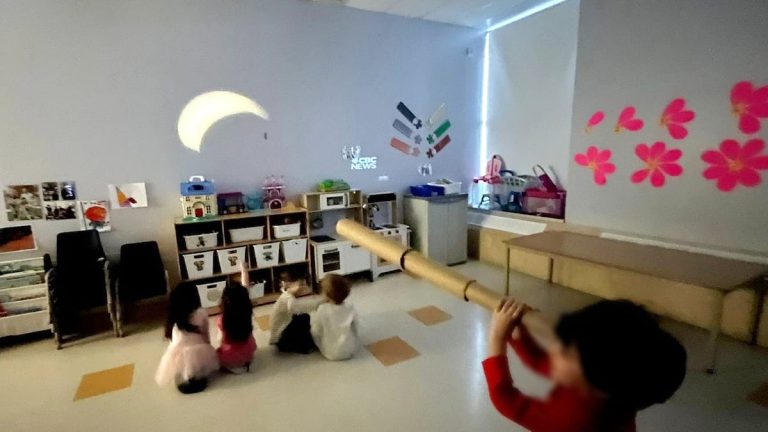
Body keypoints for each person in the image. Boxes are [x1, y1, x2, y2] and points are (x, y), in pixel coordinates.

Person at [484, 299, 687, 432]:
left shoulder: (574, 422)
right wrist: (519, 334)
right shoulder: (615, 388)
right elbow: (542, 363)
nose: (556, 349)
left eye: (568, 351)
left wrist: (497, 337)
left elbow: (504, 398)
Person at [155, 284, 219, 394]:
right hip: (198, 351)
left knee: (184, 366)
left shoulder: (174, 316)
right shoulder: (201, 312)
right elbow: (206, 335)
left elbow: (172, 340)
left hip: (177, 352)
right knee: (199, 362)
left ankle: (187, 377)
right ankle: (194, 377)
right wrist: (208, 347)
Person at [269, 270, 323, 353]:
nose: (303, 288)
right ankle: (303, 347)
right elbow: (297, 308)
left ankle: (304, 343)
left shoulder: (287, 295)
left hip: (280, 333)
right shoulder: (288, 298)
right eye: (300, 284)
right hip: (280, 337)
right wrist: (319, 303)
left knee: (301, 317)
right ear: (289, 285)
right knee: (304, 318)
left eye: (304, 284)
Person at [217, 262, 257, 373]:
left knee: (216, 352)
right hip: (249, 353)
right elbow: (245, 289)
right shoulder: (246, 312)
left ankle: (232, 365)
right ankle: (243, 362)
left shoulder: (222, 320)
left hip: (229, 358)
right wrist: (244, 270)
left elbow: (220, 340)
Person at [310, 274, 358, 361]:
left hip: (330, 353)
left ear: (327, 296)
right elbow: (356, 326)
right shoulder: (350, 306)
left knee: (313, 328)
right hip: (350, 350)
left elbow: (315, 331)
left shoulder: (322, 309)